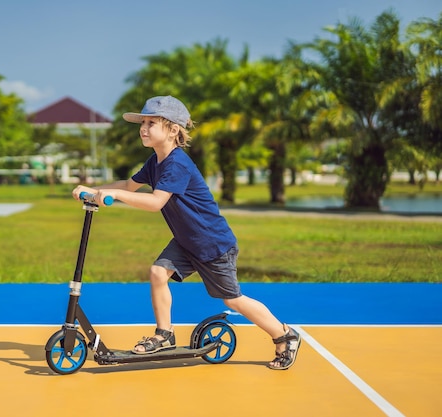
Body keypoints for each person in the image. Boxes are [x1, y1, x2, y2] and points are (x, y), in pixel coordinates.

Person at [72, 95, 301, 370]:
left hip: (212, 243)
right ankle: (164, 334)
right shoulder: (154, 162)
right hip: (186, 241)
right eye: (142, 123)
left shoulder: (177, 163)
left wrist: (113, 194)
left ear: (172, 130)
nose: (143, 128)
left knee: (232, 299)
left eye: (151, 123)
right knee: (158, 272)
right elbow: (128, 185)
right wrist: (94, 190)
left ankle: (284, 335)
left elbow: (156, 202)